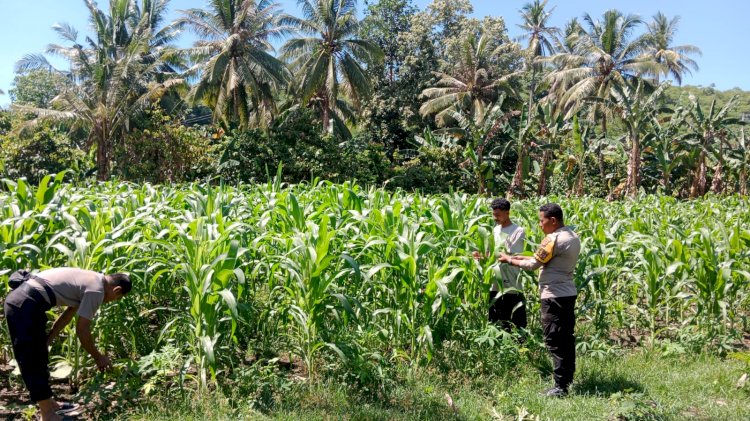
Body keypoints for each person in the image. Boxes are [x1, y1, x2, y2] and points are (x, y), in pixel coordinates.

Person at [3, 268, 132, 421]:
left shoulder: (93, 279)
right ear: (117, 290)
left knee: (39, 356)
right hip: (25, 304)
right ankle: (48, 415)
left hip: (25, 301)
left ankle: (50, 405)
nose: (111, 301)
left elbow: (68, 314)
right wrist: (99, 358)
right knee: (32, 360)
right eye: (116, 298)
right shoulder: (97, 291)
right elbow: (82, 330)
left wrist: (49, 338)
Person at [498, 203, 580, 397]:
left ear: (553, 220)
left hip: (554, 296)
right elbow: (541, 258)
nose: (539, 224)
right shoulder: (572, 236)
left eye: (541, 220)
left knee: (555, 339)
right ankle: (566, 380)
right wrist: (514, 255)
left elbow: (533, 264)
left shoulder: (553, 239)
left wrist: (508, 259)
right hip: (567, 293)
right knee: (566, 339)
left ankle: (560, 387)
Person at [474, 198, 527, 332]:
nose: (495, 217)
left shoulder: (518, 231)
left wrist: (490, 255)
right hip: (495, 278)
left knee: (514, 314)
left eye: (498, 214)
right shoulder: (495, 230)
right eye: (493, 214)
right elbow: (491, 252)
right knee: (496, 313)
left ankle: (520, 343)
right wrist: (481, 256)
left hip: (511, 279)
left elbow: (511, 255)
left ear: (507, 213)